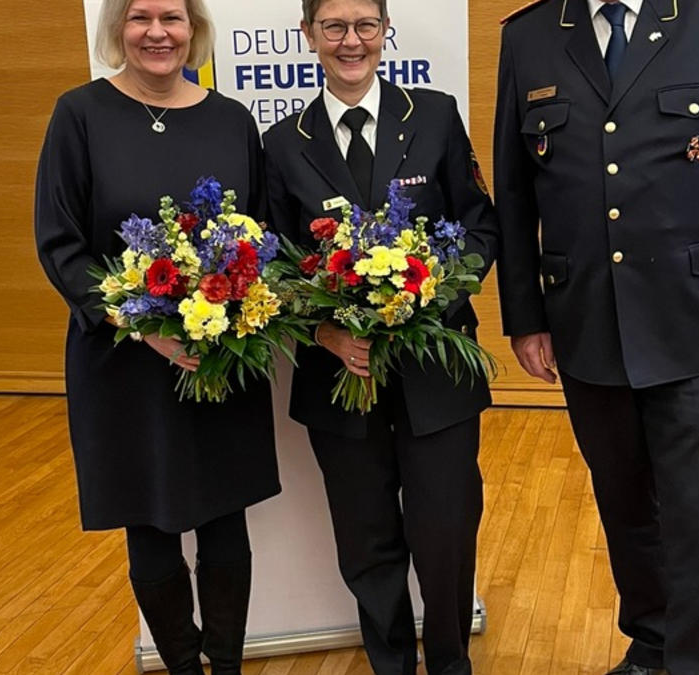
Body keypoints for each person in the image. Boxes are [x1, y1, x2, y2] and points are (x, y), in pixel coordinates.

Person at [493, 0, 699, 674]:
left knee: (698, 522)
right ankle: (656, 643)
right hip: (585, 319)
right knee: (626, 506)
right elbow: (514, 192)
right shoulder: (531, 36)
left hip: (696, 319)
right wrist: (526, 314)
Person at [34, 1, 278, 673]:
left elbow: (260, 233)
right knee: (150, 522)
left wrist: (231, 311)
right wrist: (147, 327)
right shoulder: (78, 115)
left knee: (226, 518)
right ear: (118, 29)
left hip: (218, 354)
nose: (157, 32)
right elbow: (60, 244)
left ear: (193, 27)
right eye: (140, 16)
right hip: (122, 361)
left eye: (171, 16)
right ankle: (181, 665)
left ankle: (223, 664)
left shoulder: (231, 119)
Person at [262, 2, 500, 674]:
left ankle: (451, 661)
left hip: (435, 374)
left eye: (365, 25)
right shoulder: (282, 143)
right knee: (367, 543)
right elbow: (274, 265)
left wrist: (428, 301)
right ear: (308, 35)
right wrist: (327, 329)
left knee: (445, 530)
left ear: (385, 31)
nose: (351, 41)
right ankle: (390, 663)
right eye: (334, 26)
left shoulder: (434, 114)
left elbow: (480, 226)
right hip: (341, 380)